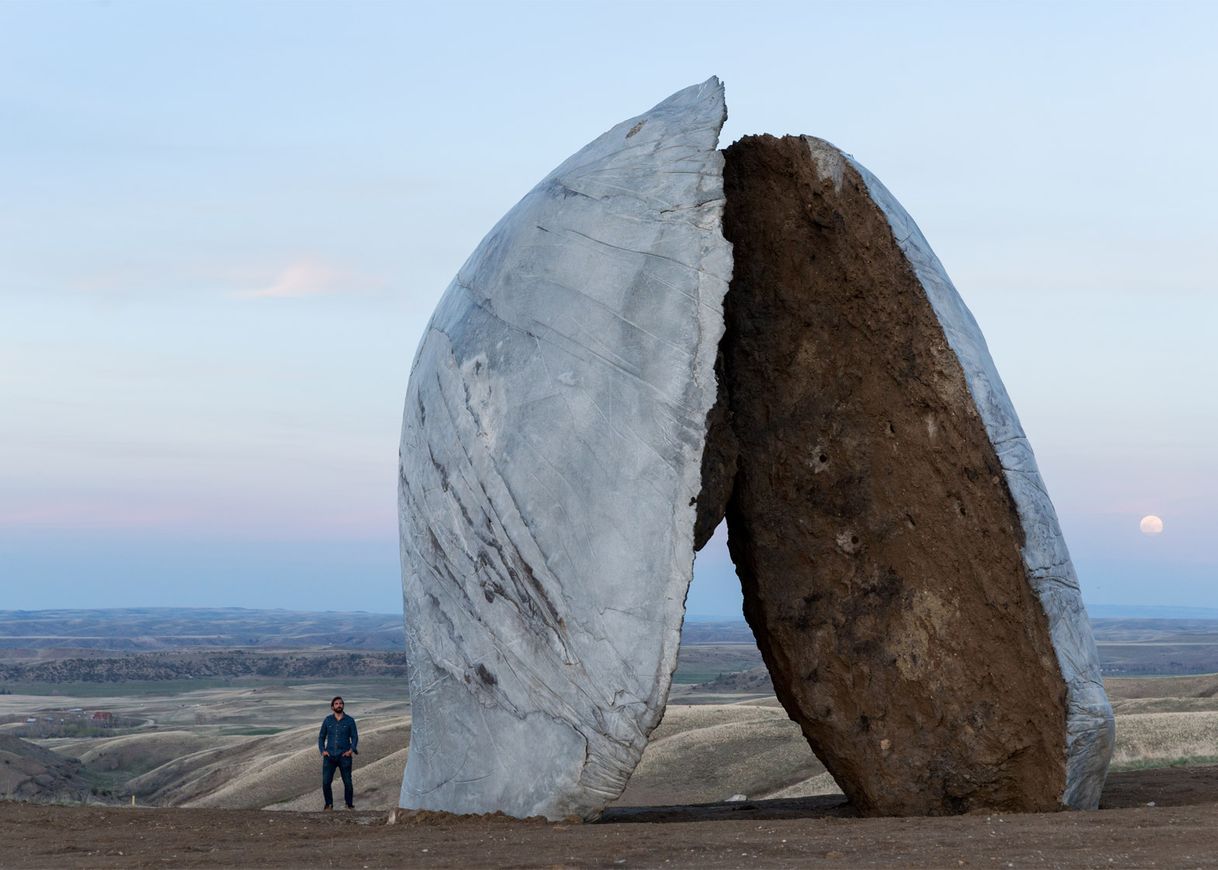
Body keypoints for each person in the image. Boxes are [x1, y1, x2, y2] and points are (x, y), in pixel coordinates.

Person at [318, 695, 359, 810]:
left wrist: (351, 750)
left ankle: (349, 805)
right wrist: (323, 751)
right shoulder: (327, 720)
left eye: (340, 703)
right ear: (332, 707)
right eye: (336, 704)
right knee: (326, 782)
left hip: (344, 756)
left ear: (343, 705)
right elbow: (321, 737)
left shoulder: (350, 720)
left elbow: (355, 737)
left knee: (348, 783)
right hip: (329, 756)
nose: (339, 705)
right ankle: (329, 805)